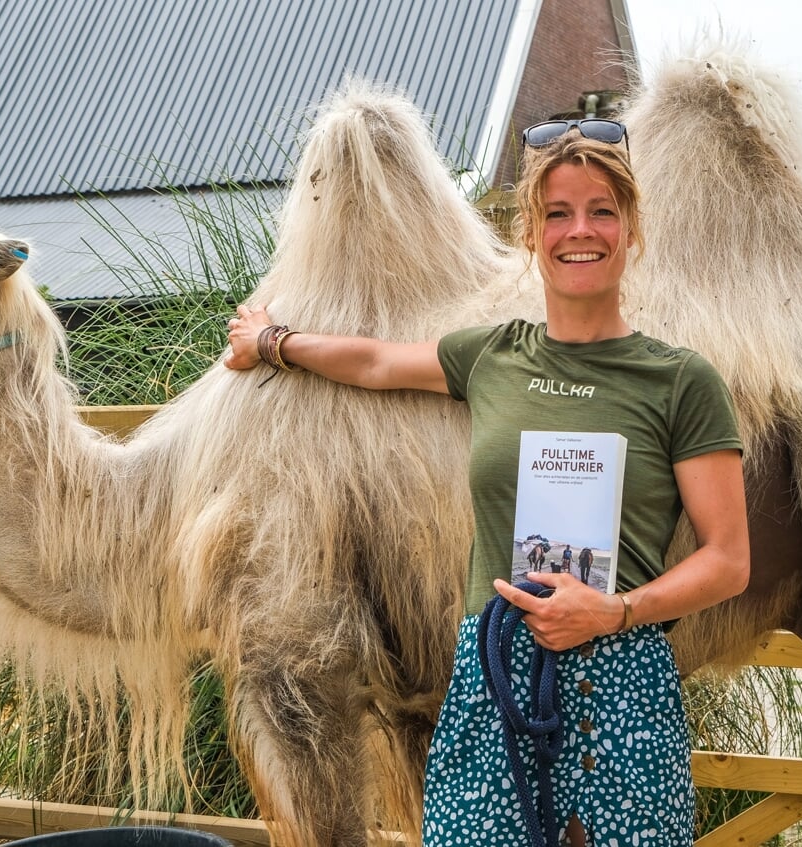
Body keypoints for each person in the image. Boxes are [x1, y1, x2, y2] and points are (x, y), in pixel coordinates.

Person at [225, 118, 749, 846]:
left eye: (602, 210)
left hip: (619, 670)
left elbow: (727, 559)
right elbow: (376, 362)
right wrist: (272, 343)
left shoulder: (679, 381)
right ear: (530, 234)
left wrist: (615, 611)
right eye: (557, 213)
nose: (580, 231)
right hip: (494, 664)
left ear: (631, 229)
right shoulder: (495, 356)